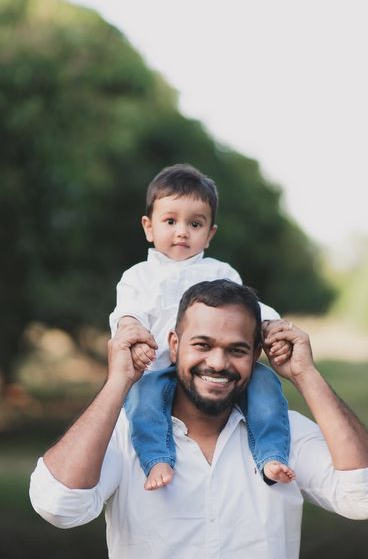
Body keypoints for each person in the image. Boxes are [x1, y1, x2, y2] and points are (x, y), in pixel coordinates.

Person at [29, 280, 368, 559]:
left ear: (256, 354)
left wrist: (306, 375)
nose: (218, 364)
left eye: (237, 350)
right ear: (174, 345)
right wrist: (117, 383)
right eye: (202, 345)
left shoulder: (285, 434)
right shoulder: (124, 434)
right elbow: (59, 505)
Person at [109, 163, 294, 489]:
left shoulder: (220, 272)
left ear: (210, 233)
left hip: (210, 364)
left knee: (266, 387)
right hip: (158, 366)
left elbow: (247, 308)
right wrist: (131, 332)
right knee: (141, 401)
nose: (182, 231)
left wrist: (272, 324)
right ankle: (157, 460)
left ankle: (271, 455)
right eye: (170, 221)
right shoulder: (138, 277)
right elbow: (127, 314)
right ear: (148, 227)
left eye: (195, 224)